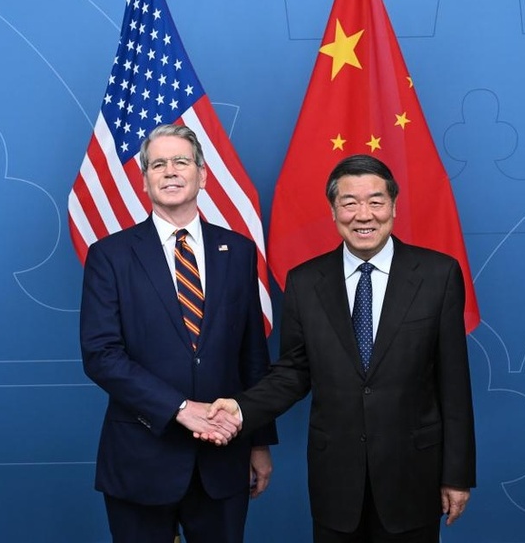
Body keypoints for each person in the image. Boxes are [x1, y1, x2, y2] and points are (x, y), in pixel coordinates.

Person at [203, 155, 476, 542]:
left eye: (376, 202)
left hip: (413, 475)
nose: (363, 215)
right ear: (333, 211)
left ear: (394, 207)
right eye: (349, 203)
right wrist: (241, 408)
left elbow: (454, 385)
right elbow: (293, 373)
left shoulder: (438, 274)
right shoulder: (304, 282)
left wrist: (457, 475)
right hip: (336, 481)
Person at [80, 123, 278, 543]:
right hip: (141, 458)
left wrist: (259, 442)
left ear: (202, 175)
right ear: (145, 180)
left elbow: (252, 355)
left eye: (181, 162)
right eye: (158, 165)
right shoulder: (110, 256)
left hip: (223, 459)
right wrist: (180, 408)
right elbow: (101, 355)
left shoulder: (239, 250)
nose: (170, 171)